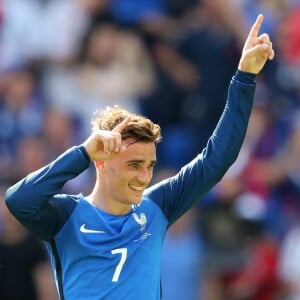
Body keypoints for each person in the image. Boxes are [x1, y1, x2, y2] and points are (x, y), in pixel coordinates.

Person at [5, 14, 274, 300]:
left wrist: (244, 78)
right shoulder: (64, 216)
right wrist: (82, 153)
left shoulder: (157, 206)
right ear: (102, 160)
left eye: (149, 165)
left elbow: (217, 159)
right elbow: (18, 201)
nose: (144, 176)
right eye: (134, 165)